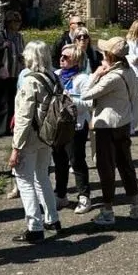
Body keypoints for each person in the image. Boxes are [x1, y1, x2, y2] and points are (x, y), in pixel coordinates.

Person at [79, 37, 138, 225]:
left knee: (106, 168)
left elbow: (86, 94)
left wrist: (97, 74)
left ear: (110, 56)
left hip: (107, 127)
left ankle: (107, 210)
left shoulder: (112, 77)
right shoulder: (128, 71)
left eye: (105, 53)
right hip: (123, 123)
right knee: (126, 165)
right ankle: (135, 206)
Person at [9, 41, 62, 243]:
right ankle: (52, 219)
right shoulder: (53, 77)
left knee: (24, 180)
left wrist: (16, 147)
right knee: (42, 177)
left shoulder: (30, 82)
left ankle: (34, 226)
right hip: (47, 135)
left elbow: (23, 117)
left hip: (30, 137)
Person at [55, 46, 94, 214]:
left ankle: (84, 196)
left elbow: (89, 103)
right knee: (59, 161)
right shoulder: (56, 75)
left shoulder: (83, 79)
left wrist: (70, 100)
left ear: (77, 61)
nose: (62, 59)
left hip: (76, 125)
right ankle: (61, 195)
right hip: (58, 125)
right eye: (61, 56)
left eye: (67, 57)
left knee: (76, 160)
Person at [0, 11, 25, 138]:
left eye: (19, 22)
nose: (17, 24)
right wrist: (2, 46)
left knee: (13, 101)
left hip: (16, 73)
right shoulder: (0, 35)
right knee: (1, 102)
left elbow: (22, 50)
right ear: (8, 23)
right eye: (15, 22)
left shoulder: (19, 37)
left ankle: (10, 127)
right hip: (2, 74)